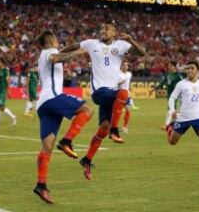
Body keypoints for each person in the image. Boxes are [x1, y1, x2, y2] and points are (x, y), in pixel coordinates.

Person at [61, 20, 146, 180]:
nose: (103, 30)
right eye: (101, 28)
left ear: (114, 32)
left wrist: (131, 41)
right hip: (99, 91)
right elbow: (74, 46)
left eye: (107, 28)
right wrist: (59, 52)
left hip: (110, 94)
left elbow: (142, 53)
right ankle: (115, 131)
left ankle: (84, 157)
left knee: (103, 128)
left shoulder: (121, 45)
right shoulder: (92, 43)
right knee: (123, 93)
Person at [33, 30, 94, 204]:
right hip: (53, 98)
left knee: (47, 147)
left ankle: (41, 185)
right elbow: (56, 58)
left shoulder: (42, 55)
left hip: (43, 105)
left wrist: (70, 52)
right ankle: (67, 141)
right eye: (56, 38)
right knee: (87, 110)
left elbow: (58, 58)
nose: (58, 41)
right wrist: (78, 52)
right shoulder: (50, 53)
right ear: (51, 40)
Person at [155, 61, 183, 129]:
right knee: (174, 109)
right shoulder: (168, 74)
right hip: (169, 94)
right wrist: (155, 89)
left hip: (175, 95)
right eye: (169, 65)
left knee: (170, 108)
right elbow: (162, 83)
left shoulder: (178, 76)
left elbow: (183, 84)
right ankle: (176, 123)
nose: (169, 67)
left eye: (170, 66)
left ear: (174, 66)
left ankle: (166, 125)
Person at [118, 61, 136, 134]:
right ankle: (113, 126)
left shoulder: (129, 74)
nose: (125, 66)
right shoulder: (118, 74)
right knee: (117, 112)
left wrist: (129, 92)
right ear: (121, 66)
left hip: (127, 95)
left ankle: (124, 127)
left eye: (127, 65)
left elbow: (127, 84)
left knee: (128, 110)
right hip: (119, 94)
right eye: (124, 65)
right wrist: (120, 83)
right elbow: (114, 83)